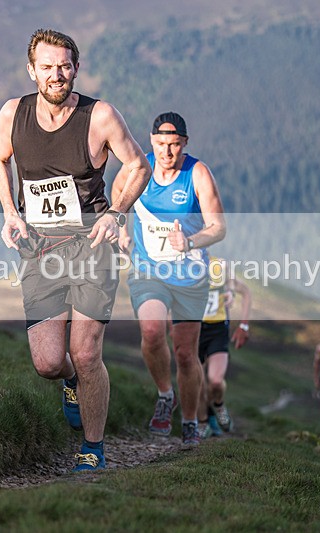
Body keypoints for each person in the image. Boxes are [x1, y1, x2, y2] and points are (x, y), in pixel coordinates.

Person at [0, 29, 150, 471]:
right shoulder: (13, 114)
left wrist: (116, 212)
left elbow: (139, 165)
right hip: (39, 249)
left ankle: (93, 448)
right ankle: (72, 382)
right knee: (47, 361)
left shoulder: (99, 117)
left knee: (85, 350)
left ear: (75, 68)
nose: (55, 75)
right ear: (32, 70)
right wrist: (10, 212)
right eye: (46, 67)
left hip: (91, 246)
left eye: (64, 66)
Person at [112, 112, 226, 447]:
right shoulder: (138, 168)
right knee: (151, 331)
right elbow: (118, 201)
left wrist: (189, 242)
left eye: (175, 145)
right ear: (151, 141)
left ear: (185, 143)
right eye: (162, 144)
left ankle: (190, 420)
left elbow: (219, 227)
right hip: (149, 270)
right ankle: (165, 395)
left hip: (190, 275)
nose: (168, 152)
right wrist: (122, 231)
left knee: (186, 354)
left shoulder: (198, 173)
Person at [198, 258, 251, 437]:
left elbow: (245, 292)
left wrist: (244, 325)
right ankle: (204, 421)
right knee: (197, 381)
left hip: (217, 330)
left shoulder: (219, 266)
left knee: (215, 380)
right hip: (193, 329)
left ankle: (218, 406)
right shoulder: (180, 266)